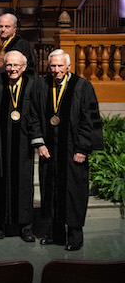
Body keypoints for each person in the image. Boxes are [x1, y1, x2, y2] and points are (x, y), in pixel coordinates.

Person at [38, 49, 103, 251]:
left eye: (60, 66)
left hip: (73, 149)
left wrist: (83, 148)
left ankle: (75, 235)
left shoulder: (83, 87)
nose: (56, 70)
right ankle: (55, 233)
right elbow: (35, 115)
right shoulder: (43, 85)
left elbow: (89, 119)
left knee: (74, 191)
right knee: (51, 190)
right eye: (53, 66)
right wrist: (39, 143)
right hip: (50, 149)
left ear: (68, 66)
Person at [0, 50, 45, 241]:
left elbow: (36, 113)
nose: (12, 69)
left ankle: (25, 225)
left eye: (16, 65)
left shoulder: (33, 85)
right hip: (1, 141)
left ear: (24, 67)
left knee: (24, 183)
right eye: (9, 65)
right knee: (0, 181)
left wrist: (38, 139)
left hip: (23, 143)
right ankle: (1, 224)